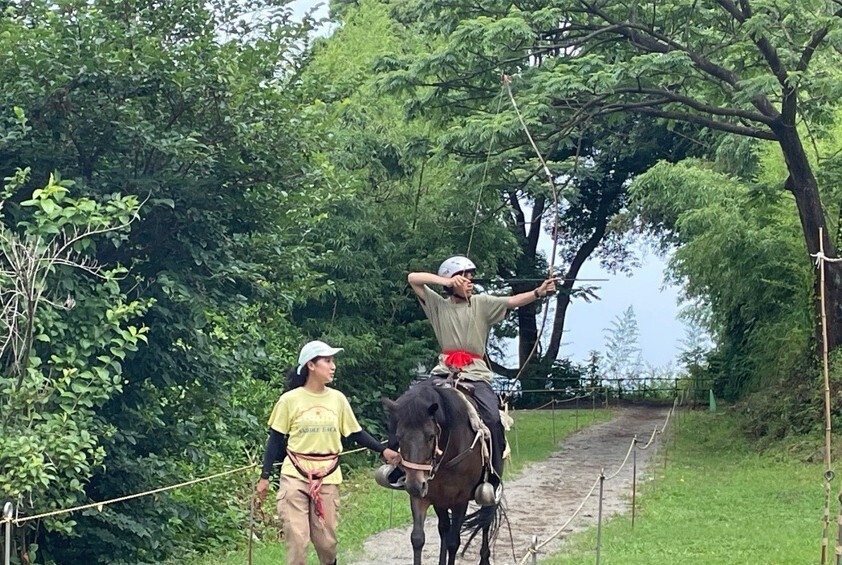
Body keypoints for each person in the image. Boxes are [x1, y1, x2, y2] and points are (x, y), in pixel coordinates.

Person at [404, 255, 556, 503]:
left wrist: (538, 292)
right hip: (443, 372)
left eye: (471, 278)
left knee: (493, 419)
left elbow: (513, 301)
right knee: (409, 405)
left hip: (475, 374)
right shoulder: (437, 304)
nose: (470, 283)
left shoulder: (482, 303)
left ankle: (492, 477)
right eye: (465, 278)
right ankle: (397, 464)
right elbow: (413, 278)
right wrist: (447, 281)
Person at [256, 340, 400, 565]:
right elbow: (275, 439)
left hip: (328, 477)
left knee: (326, 543)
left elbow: (355, 432)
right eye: (327, 361)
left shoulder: (337, 399)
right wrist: (265, 477)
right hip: (294, 476)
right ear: (311, 365)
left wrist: (383, 451)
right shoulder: (289, 400)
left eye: (333, 361)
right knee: (297, 539)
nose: (333, 366)